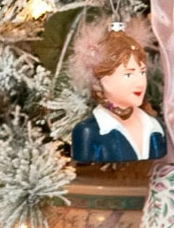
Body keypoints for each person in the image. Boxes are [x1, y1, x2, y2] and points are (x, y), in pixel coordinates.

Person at [69, 19, 167, 164]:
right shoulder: (88, 132)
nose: (140, 82)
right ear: (102, 79)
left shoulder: (154, 127)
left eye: (142, 72)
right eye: (128, 74)